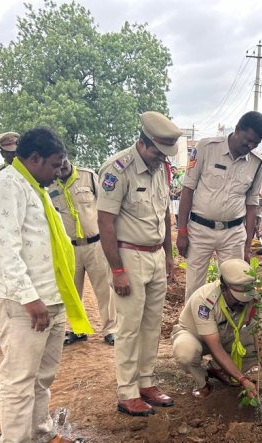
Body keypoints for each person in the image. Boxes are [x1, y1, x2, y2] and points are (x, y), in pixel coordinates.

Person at [0, 127, 91, 443]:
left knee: (42, 376)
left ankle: (40, 435)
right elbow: (5, 249)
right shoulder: (5, 188)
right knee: (18, 378)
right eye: (55, 165)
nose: (59, 172)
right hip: (23, 303)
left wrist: (49, 298)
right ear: (33, 159)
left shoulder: (35, 188)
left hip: (52, 297)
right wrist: (31, 299)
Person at [98, 111, 181, 416]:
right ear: (143, 143)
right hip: (129, 255)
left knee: (151, 325)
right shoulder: (118, 169)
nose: (162, 158)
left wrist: (169, 256)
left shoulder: (161, 169)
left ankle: (146, 382)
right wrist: (117, 270)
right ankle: (127, 391)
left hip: (156, 255)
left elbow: (164, 217)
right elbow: (105, 222)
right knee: (129, 327)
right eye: (159, 152)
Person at [176, 111, 262, 300]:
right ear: (237, 130)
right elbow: (187, 190)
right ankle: (191, 328)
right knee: (195, 286)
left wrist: (247, 246)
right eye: (247, 140)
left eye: (255, 144)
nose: (250, 146)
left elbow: (251, 206)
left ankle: (222, 328)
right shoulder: (206, 148)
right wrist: (182, 231)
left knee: (232, 287)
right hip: (200, 230)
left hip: (233, 233)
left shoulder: (257, 164)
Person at [172, 258, 262, 401]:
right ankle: (201, 382)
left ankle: (218, 369)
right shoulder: (205, 300)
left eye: (245, 298)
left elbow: (261, 336)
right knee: (185, 353)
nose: (242, 302)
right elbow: (215, 346)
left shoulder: (256, 297)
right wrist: (243, 380)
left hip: (226, 334)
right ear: (223, 287)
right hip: (195, 336)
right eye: (237, 298)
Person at [49, 158, 117, 346]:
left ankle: (111, 329)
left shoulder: (88, 177)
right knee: (72, 291)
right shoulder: (50, 184)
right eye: (57, 163)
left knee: (105, 289)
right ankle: (78, 330)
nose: (61, 167)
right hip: (68, 247)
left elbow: (105, 205)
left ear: (67, 157)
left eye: (63, 161)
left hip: (96, 244)